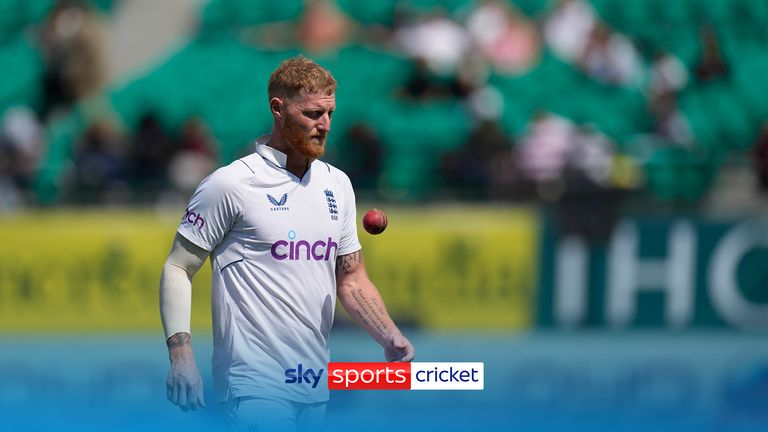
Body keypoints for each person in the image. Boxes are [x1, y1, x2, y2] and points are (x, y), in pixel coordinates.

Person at [159, 56, 415, 431]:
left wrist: (387, 333)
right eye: (312, 114)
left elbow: (352, 278)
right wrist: (181, 356)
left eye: (329, 113)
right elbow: (177, 267)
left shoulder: (338, 185)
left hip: (312, 382)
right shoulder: (231, 183)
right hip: (252, 382)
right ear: (278, 109)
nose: (324, 125)